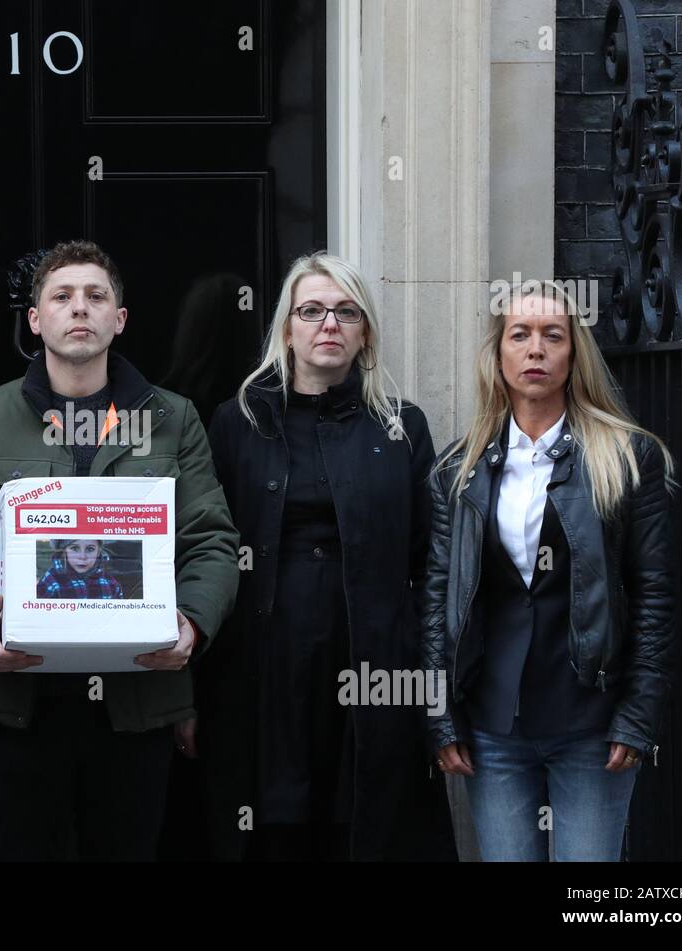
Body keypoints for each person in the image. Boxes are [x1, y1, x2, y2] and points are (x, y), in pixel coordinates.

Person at [0, 239, 239, 861]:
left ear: (118, 320)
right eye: (62, 296)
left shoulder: (173, 419)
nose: (80, 309)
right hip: (19, 698)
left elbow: (212, 540)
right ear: (35, 319)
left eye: (96, 297)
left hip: (136, 700)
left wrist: (194, 624)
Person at [200, 252, 456, 861]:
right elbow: (204, 550)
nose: (329, 324)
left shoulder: (400, 427)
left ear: (365, 331)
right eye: (311, 311)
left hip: (371, 659)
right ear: (286, 328)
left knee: (365, 819)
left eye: (346, 312)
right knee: (272, 819)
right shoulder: (237, 422)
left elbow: (430, 561)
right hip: (263, 658)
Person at [423, 285, 676, 861]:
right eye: (520, 335)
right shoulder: (456, 470)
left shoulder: (627, 458)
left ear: (573, 354)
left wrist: (637, 716)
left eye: (552, 335)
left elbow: (655, 596)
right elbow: (439, 598)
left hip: (592, 723)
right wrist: (441, 717)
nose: (535, 349)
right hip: (492, 728)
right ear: (499, 355)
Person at [37, 539, 124, 599]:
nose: (82, 557)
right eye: (74, 548)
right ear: (64, 551)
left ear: (98, 552)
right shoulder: (51, 582)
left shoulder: (111, 584)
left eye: (90, 549)